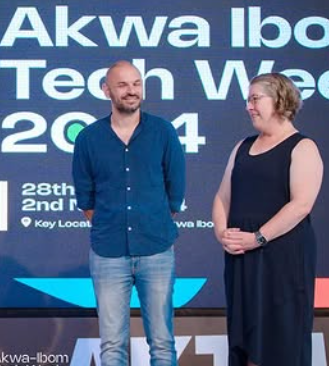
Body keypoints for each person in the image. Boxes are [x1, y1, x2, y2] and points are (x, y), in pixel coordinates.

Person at [72, 60, 185, 366]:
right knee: (112, 345)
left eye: (136, 83)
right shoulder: (88, 138)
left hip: (157, 250)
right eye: (122, 85)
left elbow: (175, 192)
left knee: (162, 343)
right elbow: (86, 198)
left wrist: (151, 223)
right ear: (106, 90)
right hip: (108, 253)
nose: (131, 90)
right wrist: (112, 226)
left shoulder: (162, 131)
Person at [212, 73, 323, 366]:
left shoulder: (303, 147)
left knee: (281, 340)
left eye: (255, 99)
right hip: (242, 259)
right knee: (245, 344)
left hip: (282, 260)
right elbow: (222, 197)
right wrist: (223, 233)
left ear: (280, 100)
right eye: (248, 100)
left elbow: (301, 205)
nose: (248, 106)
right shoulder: (242, 146)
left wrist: (257, 238)